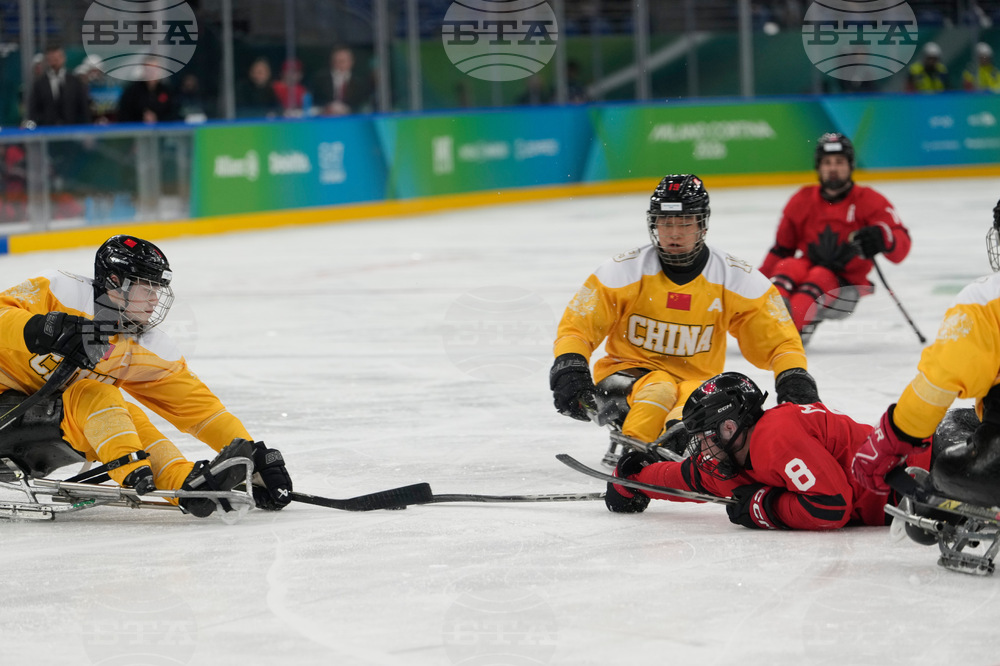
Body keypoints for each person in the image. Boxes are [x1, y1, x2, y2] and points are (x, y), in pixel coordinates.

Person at [0, 235, 293, 517]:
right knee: (96, 393)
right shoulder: (59, 291)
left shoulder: (144, 343)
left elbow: (200, 411)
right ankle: (131, 471)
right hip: (6, 413)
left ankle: (185, 484)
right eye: (148, 288)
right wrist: (42, 328)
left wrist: (252, 457)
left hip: (43, 426)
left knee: (126, 414)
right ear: (115, 282)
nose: (155, 299)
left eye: (158, 289)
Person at [550, 174, 820, 463]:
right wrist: (570, 367)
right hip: (625, 376)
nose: (675, 234)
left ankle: (673, 452)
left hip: (694, 383)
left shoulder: (735, 278)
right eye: (666, 223)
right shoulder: (622, 272)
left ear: (702, 225)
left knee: (701, 399)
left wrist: (793, 375)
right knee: (660, 387)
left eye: (685, 223)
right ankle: (634, 459)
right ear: (654, 224)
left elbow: (781, 342)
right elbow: (577, 327)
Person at [605, 372, 932, 530]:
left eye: (704, 435)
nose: (699, 448)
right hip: (913, 495)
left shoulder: (776, 436)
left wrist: (764, 509)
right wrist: (633, 479)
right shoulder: (731, 456)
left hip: (928, 469)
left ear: (729, 427)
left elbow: (831, 507)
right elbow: (689, 478)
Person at [852, 198, 1000, 508]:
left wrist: (892, 437)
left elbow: (943, 378)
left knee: (948, 457)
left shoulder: (987, 297)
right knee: (966, 420)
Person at [759, 133, 911, 342]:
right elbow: (781, 250)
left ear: (850, 166)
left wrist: (884, 237)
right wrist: (751, 288)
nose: (833, 168)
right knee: (788, 267)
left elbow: (900, 246)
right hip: (808, 268)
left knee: (818, 277)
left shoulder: (870, 200)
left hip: (846, 286)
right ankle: (763, 326)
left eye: (839, 162)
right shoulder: (801, 199)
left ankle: (782, 336)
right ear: (818, 167)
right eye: (827, 162)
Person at [26, 43, 93, 127]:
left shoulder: (75, 82)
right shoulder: (39, 84)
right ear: (47, 60)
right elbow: (33, 110)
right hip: (47, 131)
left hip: (72, 130)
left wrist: (87, 130)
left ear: (63, 58)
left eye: (57, 58)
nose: (55, 61)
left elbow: (83, 108)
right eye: (52, 59)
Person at [311, 45, 372, 116]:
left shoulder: (360, 82)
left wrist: (347, 109)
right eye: (336, 61)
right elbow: (315, 101)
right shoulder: (320, 80)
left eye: (342, 61)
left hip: (352, 119)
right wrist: (327, 108)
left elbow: (363, 105)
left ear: (351, 62)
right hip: (326, 118)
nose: (339, 65)